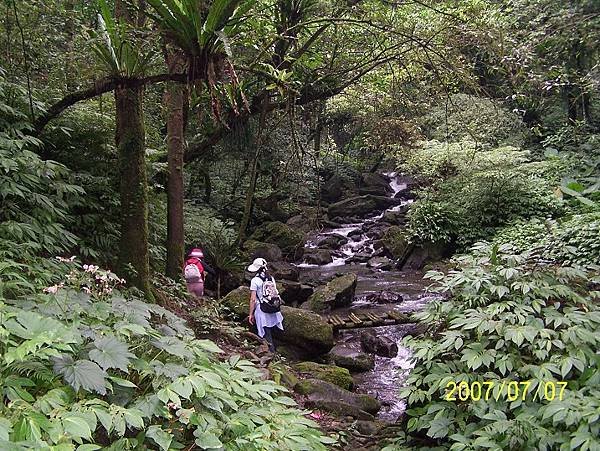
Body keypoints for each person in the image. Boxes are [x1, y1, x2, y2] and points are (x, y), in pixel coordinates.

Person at [247, 257, 283, 353]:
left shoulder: (255, 281)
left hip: (262, 309)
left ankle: (270, 353)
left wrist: (250, 314)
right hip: (273, 308)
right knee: (271, 331)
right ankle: (275, 352)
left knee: (265, 333)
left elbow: (253, 299)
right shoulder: (271, 278)